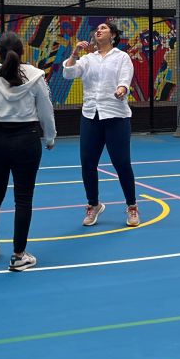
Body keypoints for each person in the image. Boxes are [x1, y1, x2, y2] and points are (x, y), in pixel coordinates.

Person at [0, 31, 57, 271]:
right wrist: (50, 136)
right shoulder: (37, 75)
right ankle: (19, 255)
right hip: (26, 141)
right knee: (23, 198)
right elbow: (45, 109)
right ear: (22, 52)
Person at [62, 21, 140, 228]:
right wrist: (74, 53)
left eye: (104, 28)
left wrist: (122, 89)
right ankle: (93, 205)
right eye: (97, 29)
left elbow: (125, 79)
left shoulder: (122, 57)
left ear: (113, 35)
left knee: (122, 163)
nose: (99, 30)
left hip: (116, 116)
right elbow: (68, 73)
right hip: (91, 116)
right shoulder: (87, 59)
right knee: (87, 163)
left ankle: (132, 206)